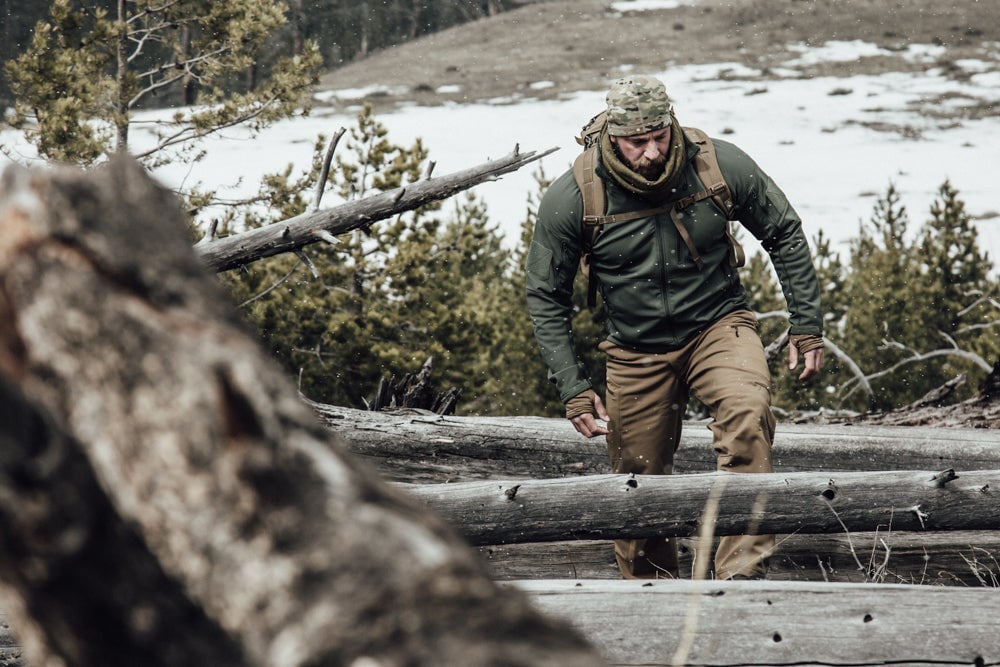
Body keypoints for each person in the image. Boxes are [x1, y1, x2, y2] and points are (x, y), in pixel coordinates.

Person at [525, 75, 824, 580]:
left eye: (659, 136)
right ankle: (653, 602)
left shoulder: (716, 164)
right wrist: (573, 388)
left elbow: (785, 232)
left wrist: (807, 326)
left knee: (747, 415)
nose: (651, 152)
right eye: (637, 142)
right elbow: (545, 295)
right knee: (636, 483)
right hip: (635, 347)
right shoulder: (576, 194)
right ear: (611, 138)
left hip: (718, 324)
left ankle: (739, 583)